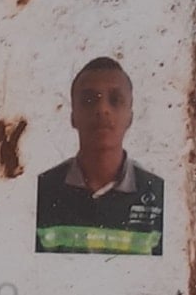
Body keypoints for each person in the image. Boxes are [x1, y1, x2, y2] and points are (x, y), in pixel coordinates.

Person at [36, 57, 164, 255]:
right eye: (89, 100)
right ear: (73, 116)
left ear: (130, 117)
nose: (102, 109)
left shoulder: (158, 194)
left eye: (115, 100)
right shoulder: (42, 191)